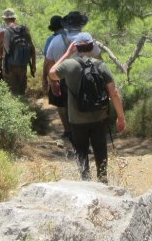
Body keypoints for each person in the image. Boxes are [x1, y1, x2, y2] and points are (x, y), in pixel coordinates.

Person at [48, 32, 126, 182]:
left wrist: (67, 53)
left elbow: (52, 74)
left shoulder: (69, 65)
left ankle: (86, 182)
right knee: (100, 151)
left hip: (76, 119)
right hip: (99, 117)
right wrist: (121, 117)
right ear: (92, 46)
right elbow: (114, 93)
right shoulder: (102, 66)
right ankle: (102, 181)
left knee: (81, 152)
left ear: (76, 47)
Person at [44, 11, 100, 139]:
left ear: (66, 25)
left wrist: (52, 81)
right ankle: (85, 133)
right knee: (84, 106)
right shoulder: (88, 39)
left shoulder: (56, 40)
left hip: (63, 78)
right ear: (81, 25)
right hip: (85, 77)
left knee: (64, 105)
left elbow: (49, 62)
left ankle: (69, 131)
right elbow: (99, 61)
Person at [0, 8, 36, 96]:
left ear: (5, 19)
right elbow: (32, 48)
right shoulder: (24, 30)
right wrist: (33, 65)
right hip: (23, 65)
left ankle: (15, 108)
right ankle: (24, 107)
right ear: (14, 18)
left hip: (9, 67)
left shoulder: (2, 33)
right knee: (21, 91)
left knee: (12, 93)